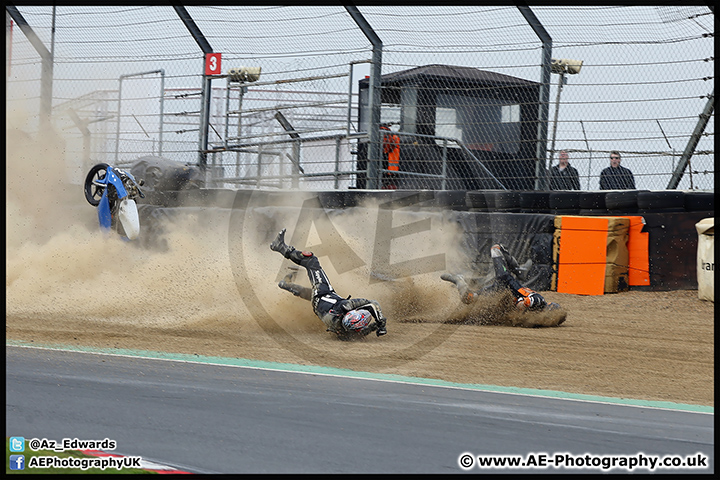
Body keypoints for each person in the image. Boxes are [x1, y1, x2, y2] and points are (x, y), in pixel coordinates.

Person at [270, 228, 388, 339]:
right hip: (318, 307)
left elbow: (372, 304)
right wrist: (373, 327)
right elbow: (358, 335)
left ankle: (281, 247)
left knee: (311, 260)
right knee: (310, 295)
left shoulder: (344, 306)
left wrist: (381, 322)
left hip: (322, 293)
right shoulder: (343, 333)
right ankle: (285, 285)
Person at [441, 243, 560, 313]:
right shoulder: (539, 302)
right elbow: (525, 303)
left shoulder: (535, 313)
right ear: (549, 306)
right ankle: (519, 270)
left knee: (469, 299)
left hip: (502, 293)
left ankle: (459, 280)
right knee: (496, 248)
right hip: (507, 283)